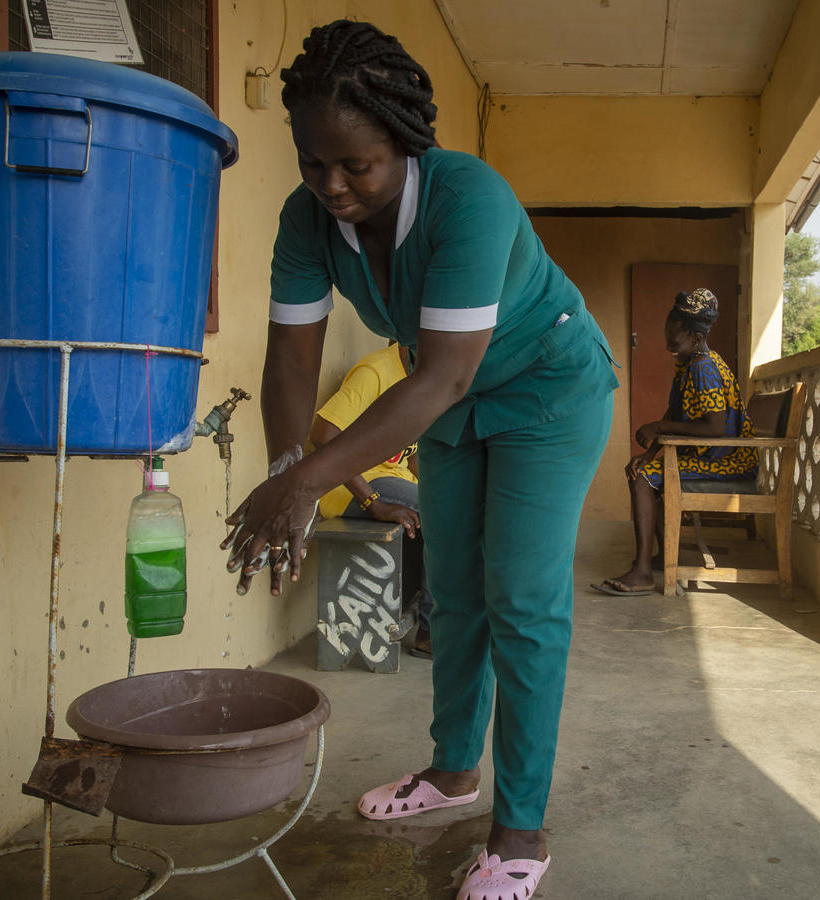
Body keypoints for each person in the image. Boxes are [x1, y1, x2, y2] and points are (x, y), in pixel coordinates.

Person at [219, 19, 617, 900]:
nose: (331, 184)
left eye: (354, 165)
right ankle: (450, 774)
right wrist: (289, 471)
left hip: (546, 389)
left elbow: (442, 371)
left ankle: (519, 829)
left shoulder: (468, 198)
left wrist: (307, 484)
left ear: (402, 146)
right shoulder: (305, 220)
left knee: (519, 596)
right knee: (458, 589)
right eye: (312, 162)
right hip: (447, 398)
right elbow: (290, 359)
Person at [592, 288, 756, 596]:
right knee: (642, 470)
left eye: (674, 342)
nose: (669, 348)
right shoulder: (689, 364)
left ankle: (642, 572)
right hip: (711, 455)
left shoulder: (703, 367)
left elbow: (715, 427)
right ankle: (663, 556)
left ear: (695, 338)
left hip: (727, 459)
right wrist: (650, 452)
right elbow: (676, 413)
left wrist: (658, 427)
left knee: (643, 481)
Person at [308, 341, 432, 655]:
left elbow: (410, 454)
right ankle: (434, 632)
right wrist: (372, 502)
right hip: (351, 486)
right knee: (446, 513)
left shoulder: (427, 376)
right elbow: (323, 436)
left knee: (459, 505)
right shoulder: (376, 371)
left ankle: (427, 615)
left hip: (391, 479)